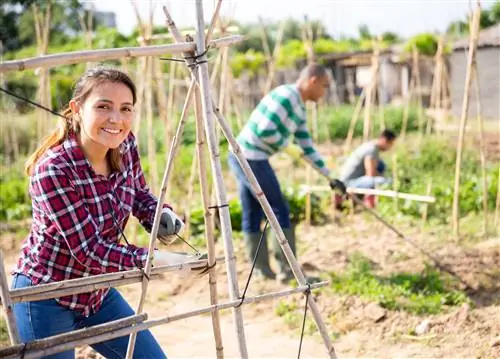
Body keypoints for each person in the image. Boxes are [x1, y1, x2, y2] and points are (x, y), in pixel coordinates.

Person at [11, 66, 193, 359]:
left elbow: (139, 194)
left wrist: (159, 216)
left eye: (125, 109)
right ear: (77, 109)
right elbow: (90, 251)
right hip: (46, 297)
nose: (116, 120)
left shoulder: (125, 143)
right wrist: (154, 259)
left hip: (96, 293)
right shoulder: (54, 170)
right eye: (103, 107)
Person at [228, 64, 345, 283]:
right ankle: (287, 272)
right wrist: (287, 146)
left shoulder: (299, 106)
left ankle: (263, 272)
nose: (325, 92)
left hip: (246, 155)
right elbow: (265, 130)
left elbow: (307, 146)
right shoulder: (287, 97)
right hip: (250, 156)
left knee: (253, 213)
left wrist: (330, 176)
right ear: (313, 81)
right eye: (325, 86)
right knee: (278, 209)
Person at [338, 129, 397, 208]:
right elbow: (370, 174)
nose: (390, 147)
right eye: (391, 143)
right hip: (349, 183)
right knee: (387, 181)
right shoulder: (371, 150)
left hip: (352, 180)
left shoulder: (371, 146)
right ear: (384, 140)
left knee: (382, 167)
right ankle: (369, 203)